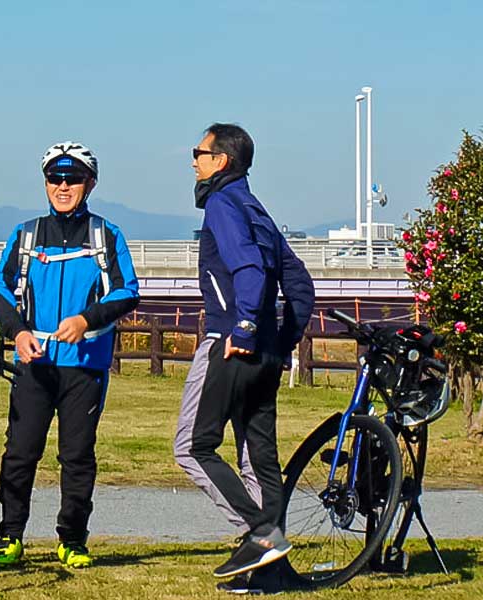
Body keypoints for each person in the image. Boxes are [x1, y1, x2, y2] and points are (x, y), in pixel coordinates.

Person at [173, 123, 315, 593]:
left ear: (222, 161)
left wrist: (246, 327)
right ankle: (268, 573)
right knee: (259, 460)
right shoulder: (258, 209)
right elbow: (299, 283)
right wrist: (282, 339)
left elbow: (249, 269)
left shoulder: (223, 203)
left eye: (199, 152)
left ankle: (261, 533)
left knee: (193, 447)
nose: (192, 160)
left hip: (230, 341)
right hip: (266, 352)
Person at [0, 142, 140, 570]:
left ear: (90, 184)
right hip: (34, 363)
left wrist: (86, 320)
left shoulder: (105, 236)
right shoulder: (26, 234)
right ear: (45, 182)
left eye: (73, 179)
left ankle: (73, 539)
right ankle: (9, 536)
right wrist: (16, 332)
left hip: (84, 365)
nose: (63, 186)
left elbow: (128, 291)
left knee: (76, 455)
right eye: (55, 178)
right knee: (20, 453)